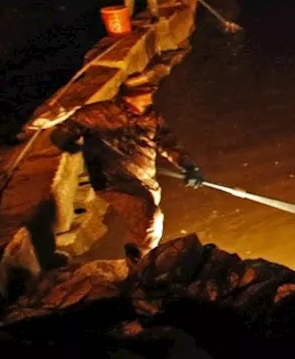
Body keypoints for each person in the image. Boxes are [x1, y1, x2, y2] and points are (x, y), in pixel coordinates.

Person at [51, 76, 204, 261]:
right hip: (114, 181)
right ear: (129, 97)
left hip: (145, 181)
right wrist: (69, 141)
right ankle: (139, 263)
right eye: (145, 94)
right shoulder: (101, 113)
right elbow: (66, 126)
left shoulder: (151, 117)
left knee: (152, 221)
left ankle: (141, 261)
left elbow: (166, 141)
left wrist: (187, 165)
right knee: (149, 219)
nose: (150, 98)